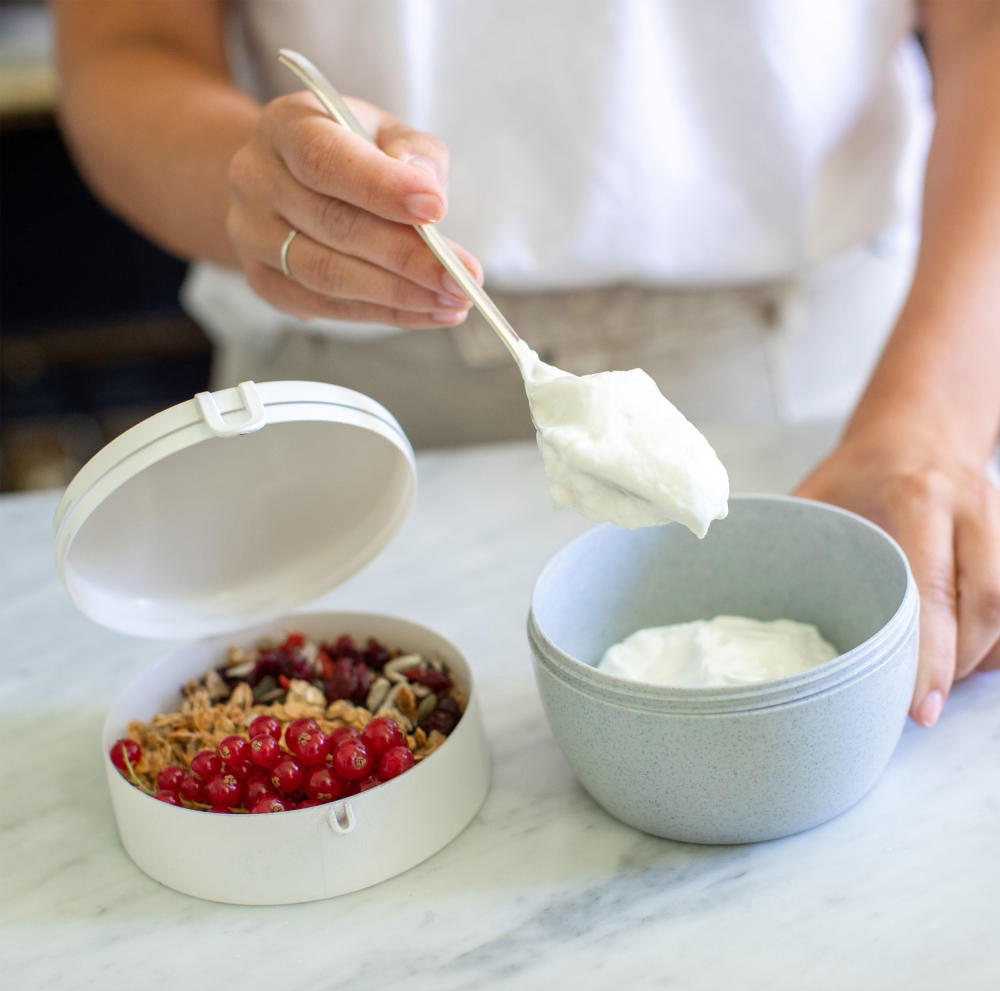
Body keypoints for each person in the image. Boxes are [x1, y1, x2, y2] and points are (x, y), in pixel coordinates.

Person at [52, 0, 999, 727]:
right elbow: (124, 46)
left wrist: (931, 427)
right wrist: (253, 182)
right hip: (345, 404)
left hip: (829, 390)